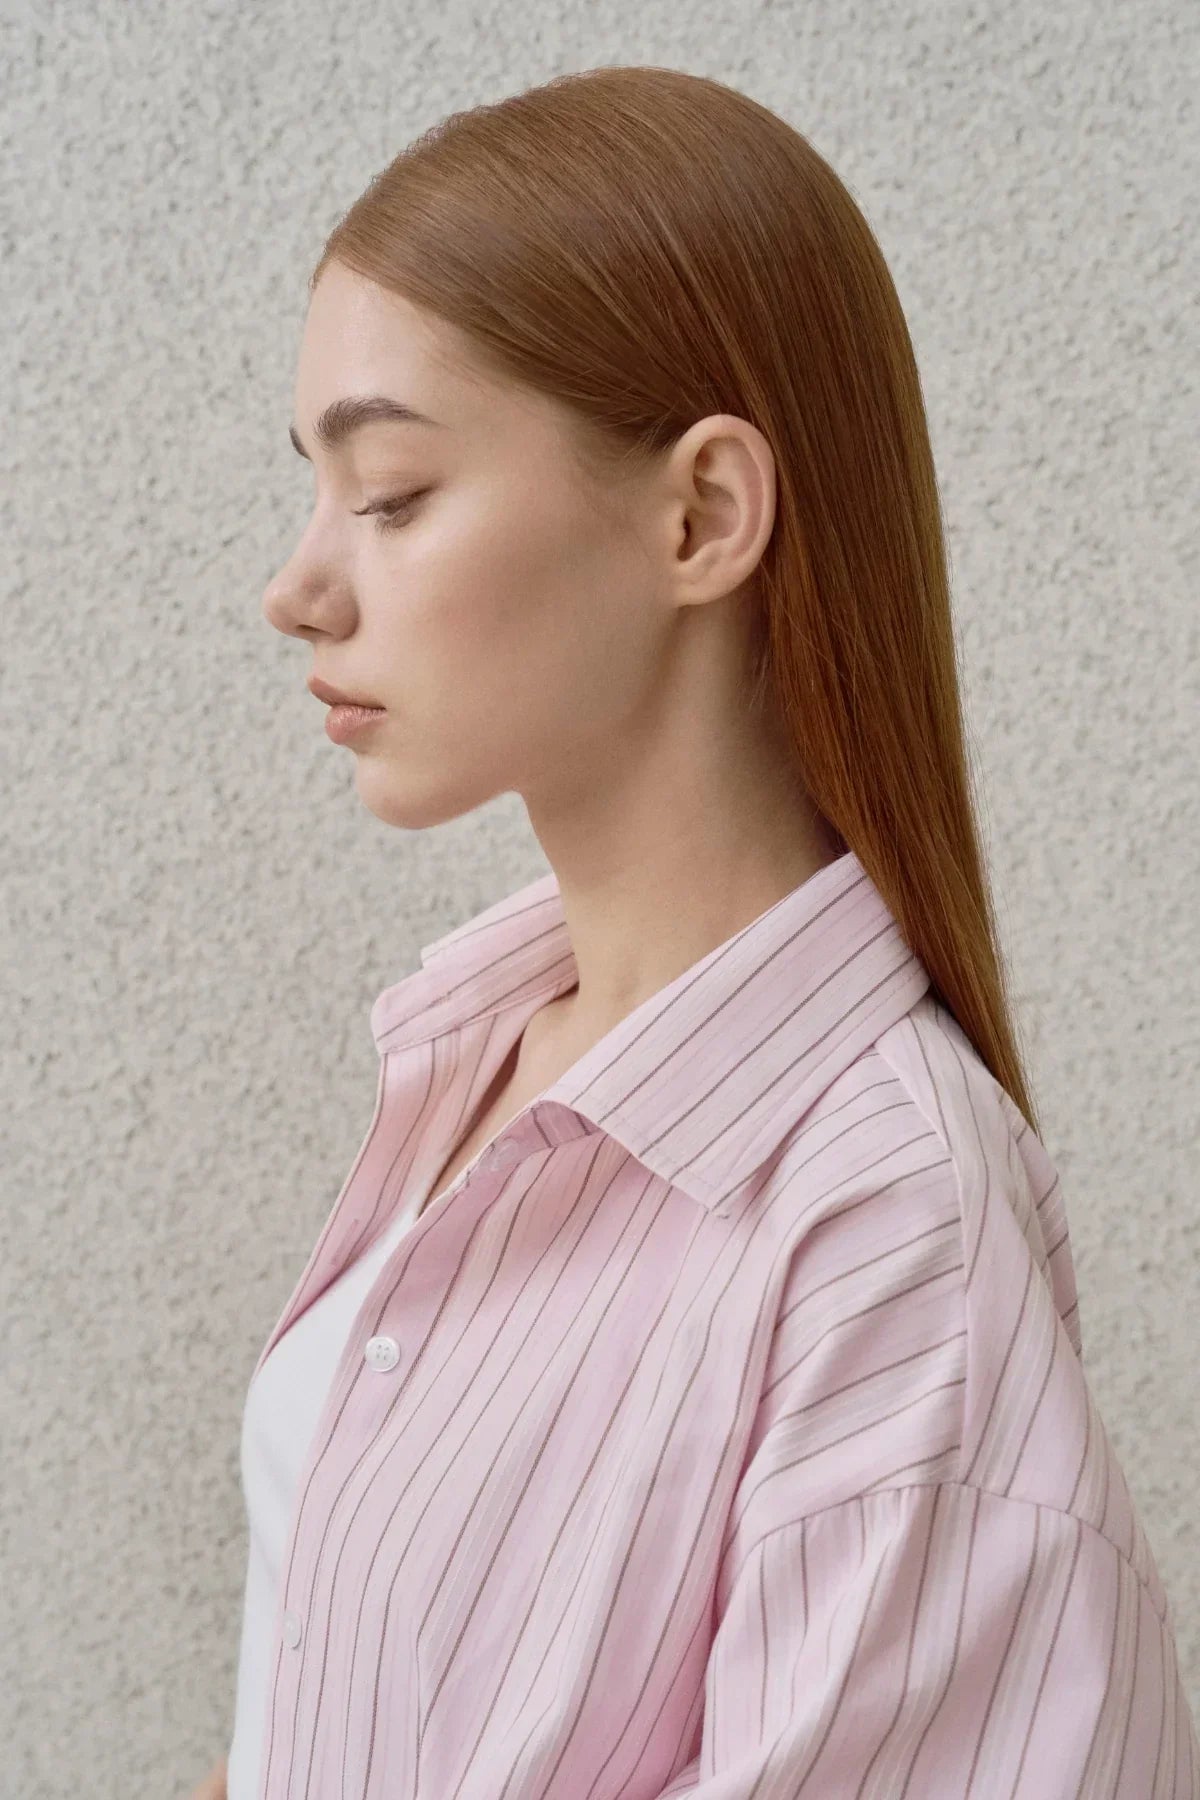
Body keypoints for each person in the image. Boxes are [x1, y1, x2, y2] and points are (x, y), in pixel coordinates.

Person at [188, 65, 1197, 1800]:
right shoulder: (480, 1056)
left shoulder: (886, 1220)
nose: (298, 588)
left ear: (703, 514)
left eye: (395, 495)